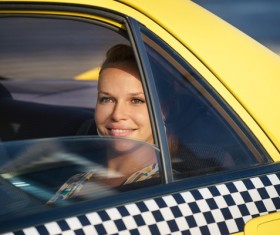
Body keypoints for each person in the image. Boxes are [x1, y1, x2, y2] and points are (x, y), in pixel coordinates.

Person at [48, 44, 159, 204]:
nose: (117, 114)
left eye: (136, 100)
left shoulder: (162, 188)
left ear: (164, 109)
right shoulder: (77, 179)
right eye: (106, 99)